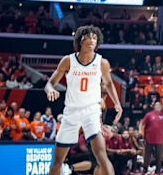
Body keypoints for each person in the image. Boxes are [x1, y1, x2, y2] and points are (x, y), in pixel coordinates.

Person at [46, 25, 122, 175]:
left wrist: (118, 104)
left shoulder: (102, 62)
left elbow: (108, 84)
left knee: (102, 156)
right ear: (81, 40)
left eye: (95, 38)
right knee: (57, 162)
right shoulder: (68, 61)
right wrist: (51, 90)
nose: (92, 40)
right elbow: (49, 83)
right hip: (71, 112)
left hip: (91, 111)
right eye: (89, 37)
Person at [140, 101, 163, 172]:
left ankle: (158, 170)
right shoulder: (149, 115)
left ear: (161, 107)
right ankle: (145, 169)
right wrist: (141, 132)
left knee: (159, 155)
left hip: (160, 139)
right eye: (156, 105)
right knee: (147, 155)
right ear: (154, 107)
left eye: (159, 105)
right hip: (149, 138)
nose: (157, 106)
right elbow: (142, 123)